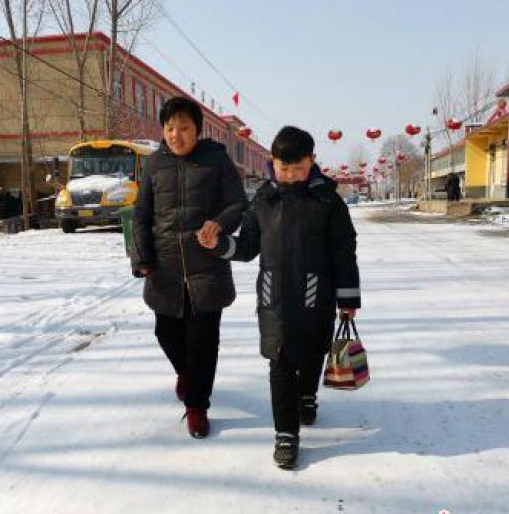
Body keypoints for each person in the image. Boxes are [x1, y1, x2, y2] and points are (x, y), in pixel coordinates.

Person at [198, 126, 361, 469]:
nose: (290, 176)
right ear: (273, 164)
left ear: (311, 162)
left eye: (298, 168)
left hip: (317, 295)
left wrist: (348, 299)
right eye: (283, 169)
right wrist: (220, 246)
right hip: (274, 298)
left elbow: (344, 253)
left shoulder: (328, 201)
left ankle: (307, 394)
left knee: (315, 349)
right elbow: (246, 247)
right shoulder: (264, 200)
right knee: (280, 361)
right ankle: (286, 434)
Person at [130, 96, 248, 439]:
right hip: (164, 268)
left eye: (183, 128)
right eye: (169, 128)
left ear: (198, 129)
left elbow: (238, 202)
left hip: (206, 267)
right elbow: (140, 215)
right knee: (165, 333)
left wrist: (219, 223)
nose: (176, 135)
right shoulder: (153, 165)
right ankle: (187, 374)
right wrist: (142, 259)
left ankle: (197, 406)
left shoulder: (216, 160)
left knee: (203, 341)